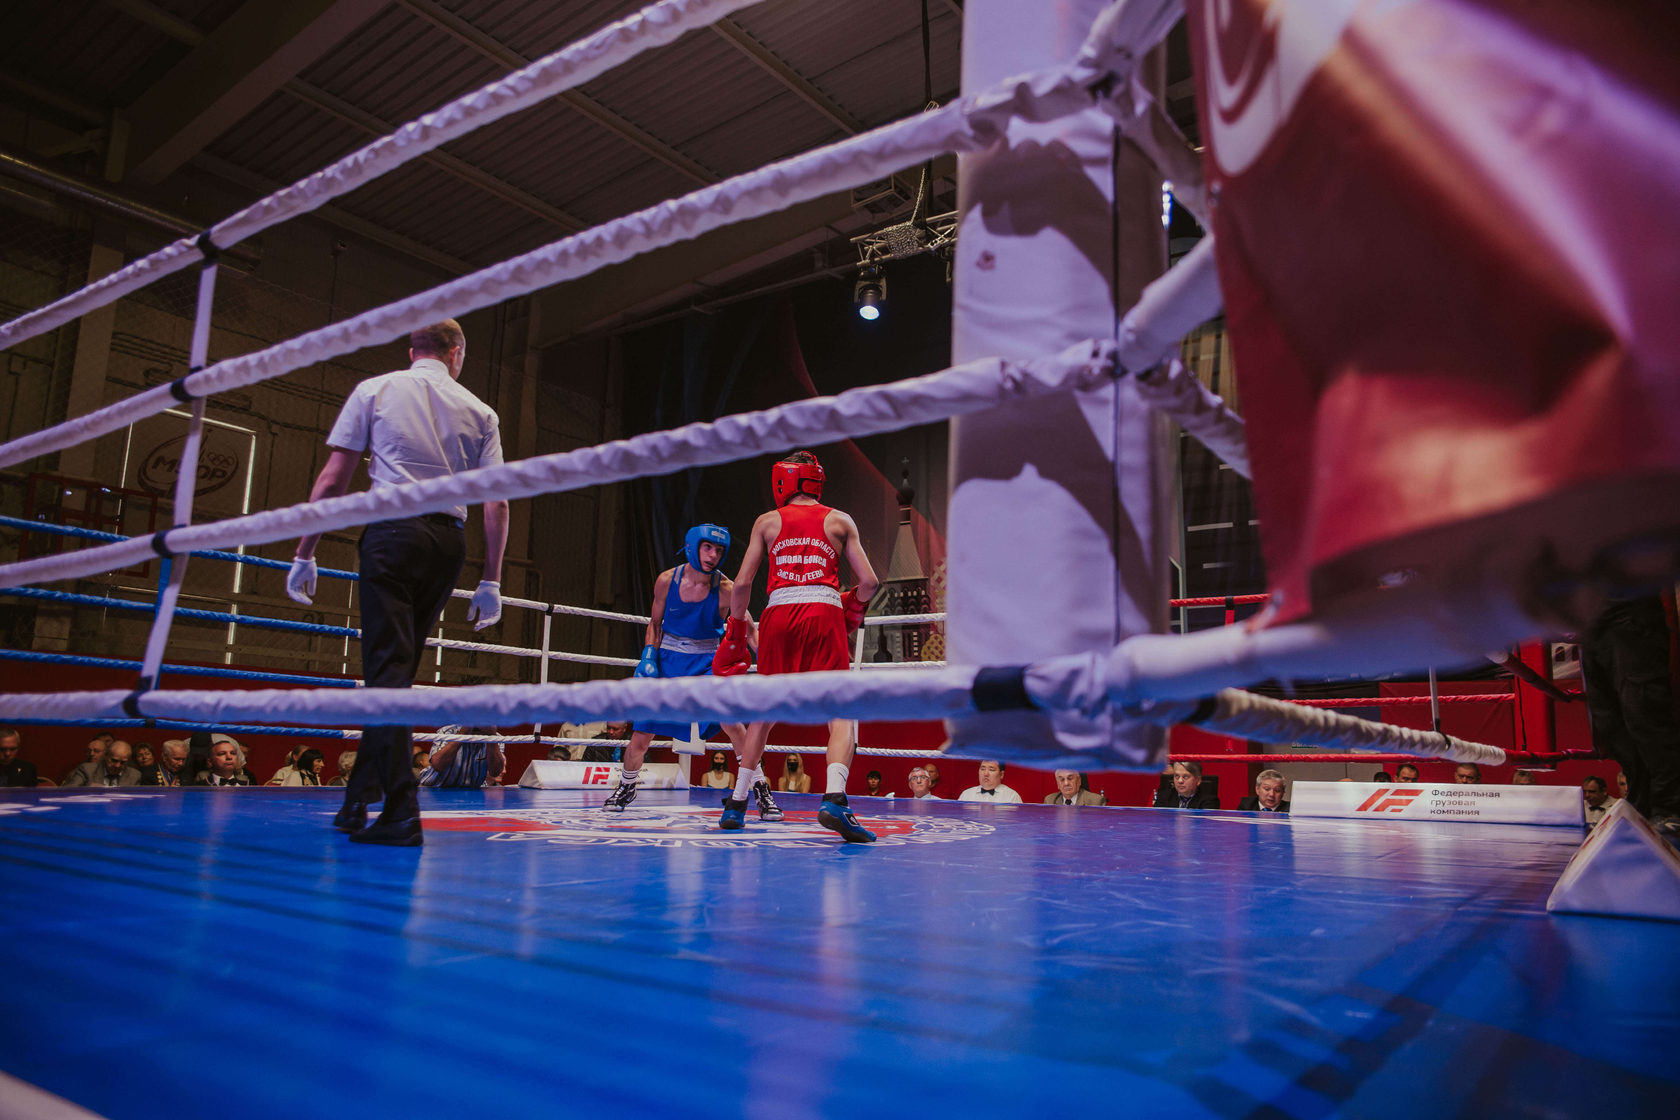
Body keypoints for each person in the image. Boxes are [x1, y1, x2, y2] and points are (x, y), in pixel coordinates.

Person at [287, 319, 508, 848]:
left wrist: (305, 551)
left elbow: (333, 479)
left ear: (412, 350)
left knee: (386, 671)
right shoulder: (481, 410)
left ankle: (403, 812)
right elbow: (496, 501)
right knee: (398, 672)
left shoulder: (375, 390)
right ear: (457, 353)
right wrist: (491, 578)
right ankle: (358, 796)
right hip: (446, 543)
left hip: (392, 535)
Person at [713, 450, 880, 841]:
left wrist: (736, 628)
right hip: (824, 609)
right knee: (839, 710)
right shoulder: (840, 520)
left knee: (764, 714)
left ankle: (737, 804)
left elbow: (740, 585)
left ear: (783, 481)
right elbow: (870, 582)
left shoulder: (767, 522)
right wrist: (850, 603)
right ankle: (834, 798)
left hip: (778, 614)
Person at [604, 525, 773, 818]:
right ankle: (626, 786)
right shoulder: (667, 581)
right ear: (693, 546)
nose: (714, 555)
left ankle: (760, 790)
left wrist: (772, 668)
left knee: (732, 723)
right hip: (668, 661)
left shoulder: (726, 590)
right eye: (708, 548)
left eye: (719, 550)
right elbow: (655, 625)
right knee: (641, 735)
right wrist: (648, 655)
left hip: (708, 661)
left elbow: (749, 630)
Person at [1580, 593, 1680, 833]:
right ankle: (1642, 803)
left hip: (1629, 613)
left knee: (1645, 715)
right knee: (1609, 723)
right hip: (1589, 621)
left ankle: (1671, 807)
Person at [420, 727, 505, 789]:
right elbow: (437, 765)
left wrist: (491, 737)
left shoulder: (496, 738)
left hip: (470, 793)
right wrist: (462, 734)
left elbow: (495, 772)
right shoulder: (447, 732)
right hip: (433, 788)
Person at [64, 740, 140, 787]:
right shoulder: (87, 770)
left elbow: (135, 802)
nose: (117, 765)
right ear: (106, 756)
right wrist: (86, 790)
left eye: (123, 762)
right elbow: (67, 792)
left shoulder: (134, 775)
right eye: (114, 760)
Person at [1155, 761, 1219, 809]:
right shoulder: (1163, 797)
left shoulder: (1209, 801)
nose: (1180, 781)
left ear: (1198, 780)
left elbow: (1204, 825)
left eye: (1185, 777)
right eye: (1177, 776)